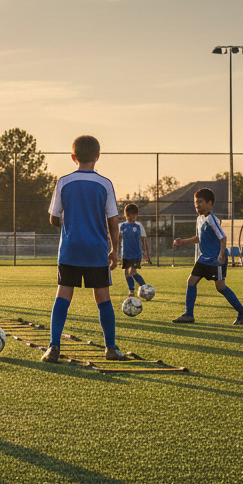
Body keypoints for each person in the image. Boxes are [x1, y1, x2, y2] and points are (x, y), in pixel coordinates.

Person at [42, 135, 127, 363]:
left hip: (70, 249)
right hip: (96, 250)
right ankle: (110, 348)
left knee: (63, 295)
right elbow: (113, 220)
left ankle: (54, 347)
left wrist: (69, 223)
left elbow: (53, 218)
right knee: (103, 298)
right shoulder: (105, 184)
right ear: (97, 157)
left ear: (73, 157)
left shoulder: (63, 182)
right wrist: (115, 250)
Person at [172, 188, 243, 325]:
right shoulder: (199, 219)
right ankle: (188, 314)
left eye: (200, 202)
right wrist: (183, 242)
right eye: (196, 202)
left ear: (210, 204)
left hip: (215, 259)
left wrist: (221, 255)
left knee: (220, 287)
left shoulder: (212, 219)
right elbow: (199, 238)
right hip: (204, 258)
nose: (197, 205)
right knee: (191, 281)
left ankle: (242, 312)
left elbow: (223, 238)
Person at [118, 203, 151, 296]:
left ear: (136, 215)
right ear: (125, 215)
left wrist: (146, 255)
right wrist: (115, 251)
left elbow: (144, 241)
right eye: (128, 215)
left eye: (133, 216)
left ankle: (135, 290)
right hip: (125, 255)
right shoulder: (122, 226)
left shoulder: (139, 226)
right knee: (127, 272)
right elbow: (118, 239)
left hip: (136, 255)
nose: (130, 217)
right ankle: (141, 288)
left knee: (132, 271)